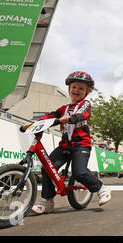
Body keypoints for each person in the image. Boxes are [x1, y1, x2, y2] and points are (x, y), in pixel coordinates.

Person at [22, 71, 111, 214]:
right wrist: (31, 124)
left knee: (80, 172)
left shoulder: (85, 104)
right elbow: (49, 117)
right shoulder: (63, 109)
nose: (77, 90)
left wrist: (68, 119)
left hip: (81, 145)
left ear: (86, 92)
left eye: (81, 89)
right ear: (69, 89)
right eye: (74, 87)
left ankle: (101, 188)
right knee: (47, 168)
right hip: (64, 146)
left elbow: (81, 115)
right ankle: (47, 201)